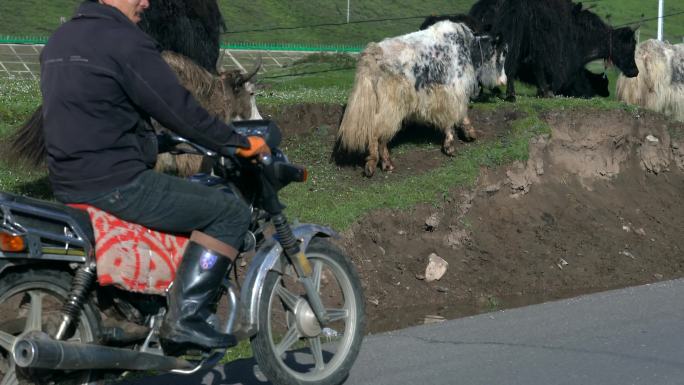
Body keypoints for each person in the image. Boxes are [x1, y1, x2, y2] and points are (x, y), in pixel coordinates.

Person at [39, 0, 268, 354]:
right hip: (120, 184)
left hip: (70, 181)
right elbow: (180, 110)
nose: (145, 1)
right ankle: (186, 318)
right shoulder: (125, 42)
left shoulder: (60, 41)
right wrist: (236, 144)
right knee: (229, 212)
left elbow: (97, 115)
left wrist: (154, 142)